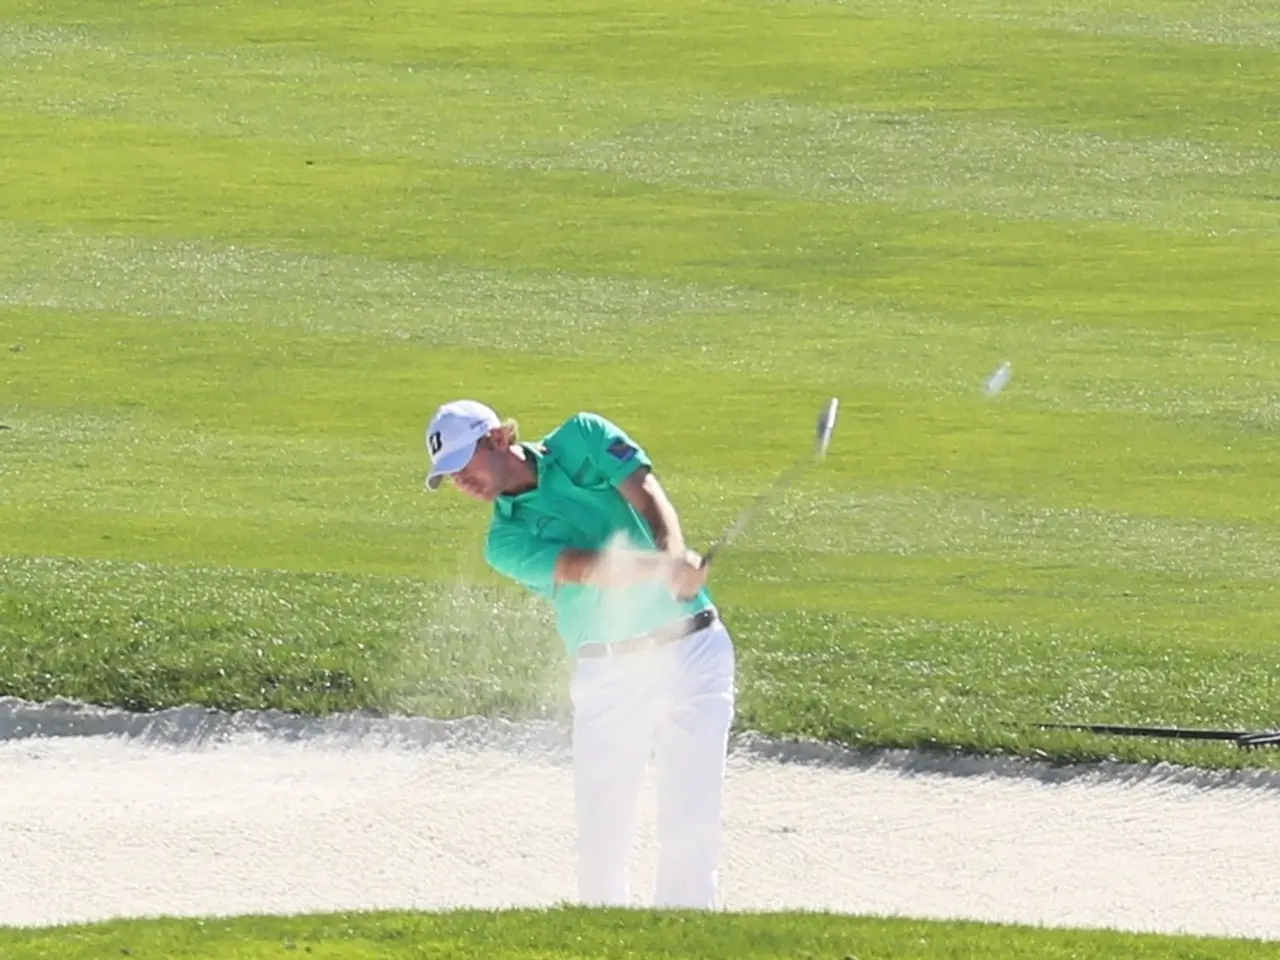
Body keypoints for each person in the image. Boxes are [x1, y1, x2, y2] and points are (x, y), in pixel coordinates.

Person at [423, 398, 736, 909]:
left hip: (694, 650)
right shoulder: (505, 539)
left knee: (691, 825)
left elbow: (645, 491)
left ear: (498, 439)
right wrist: (662, 570)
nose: (460, 481)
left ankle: (689, 935)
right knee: (601, 841)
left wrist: (674, 552)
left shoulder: (584, 437)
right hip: (610, 675)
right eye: (449, 475)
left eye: (463, 464)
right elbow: (582, 567)